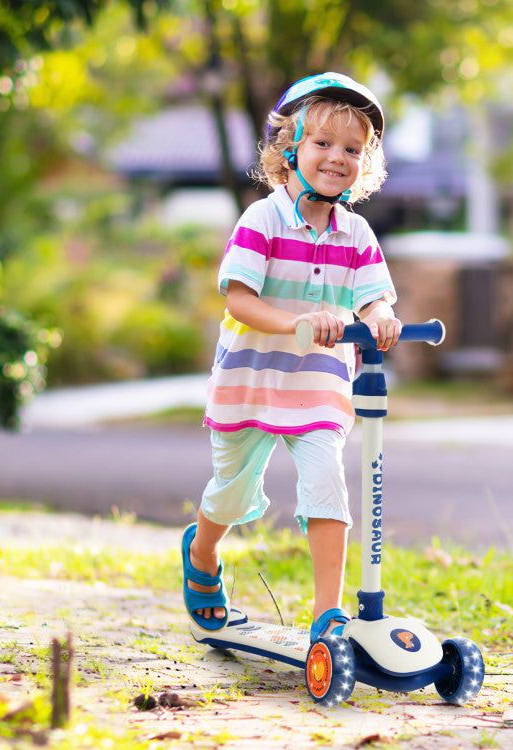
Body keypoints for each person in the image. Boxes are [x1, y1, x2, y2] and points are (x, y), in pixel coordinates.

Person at [181, 72, 401, 642]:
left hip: (319, 384)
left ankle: (327, 614)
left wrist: (378, 317)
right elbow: (239, 300)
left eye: (352, 149)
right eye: (323, 143)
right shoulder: (262, 220)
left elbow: (374, 293)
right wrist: (296, 322)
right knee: (230, 493)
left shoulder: (356, 233)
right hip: (249, 379)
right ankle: (203, 553)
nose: (337, 157)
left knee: (327, 481)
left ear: (366, 163)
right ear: (290, 150)